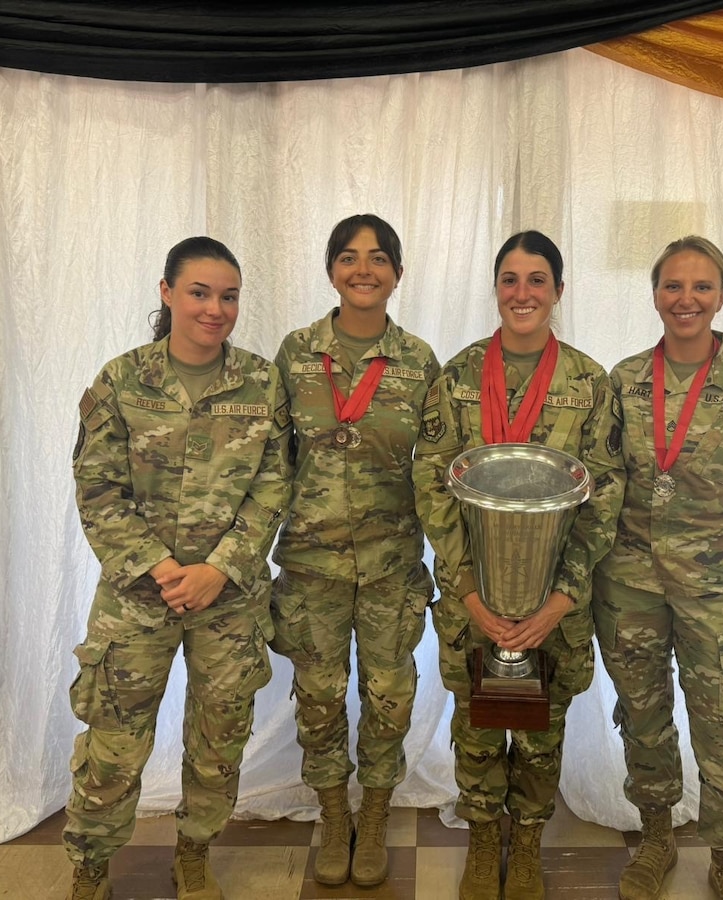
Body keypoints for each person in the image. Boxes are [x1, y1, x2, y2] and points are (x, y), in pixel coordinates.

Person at [63, 236, 293, 900]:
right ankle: (91, 867)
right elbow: (97, 490)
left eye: (228, 296)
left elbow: (273, 485)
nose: (215, 309)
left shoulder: (260, 381)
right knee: (113, 742)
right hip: (138, 596)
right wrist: (163, 567)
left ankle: (194, 852)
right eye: (199, 293)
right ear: (167, 293)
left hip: (229, 598)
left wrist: (219, 568)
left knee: (220, 738)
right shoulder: (122, 380)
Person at [413, 231, 624, 900]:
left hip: (554, 605)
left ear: (558, 290)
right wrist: (469, 591)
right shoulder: (457, 375)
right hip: (474, 598)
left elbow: (607, 494)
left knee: (540, 732)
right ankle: (483, 841)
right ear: (496, 288)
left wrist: (559, 600)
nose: (523, 292)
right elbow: (431, 483)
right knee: (477, 726)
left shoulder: (589, 382)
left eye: (538, 279)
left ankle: (527, 842)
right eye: (511, 278)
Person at [594, 236, 723, 900]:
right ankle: (657, 838)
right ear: (654, 293)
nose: (686, 300)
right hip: (630, 583)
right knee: (644, 716)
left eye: (701, 287)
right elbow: (598, 487)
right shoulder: (623, 381)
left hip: (722, 590)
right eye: (673, 286)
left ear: (722, 295)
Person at [269, 215, 439, 887]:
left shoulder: (420, 362)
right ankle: (333, 815)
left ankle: (376, 809)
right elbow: (272, 462)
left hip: (393, 564)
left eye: (377, 258)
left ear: (398, 272)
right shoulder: (296, 353)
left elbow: (437, 468)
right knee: (317, 696)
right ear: (331, 268)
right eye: (348, 256)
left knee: (390, 696)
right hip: (311, 566)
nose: (362, 269)